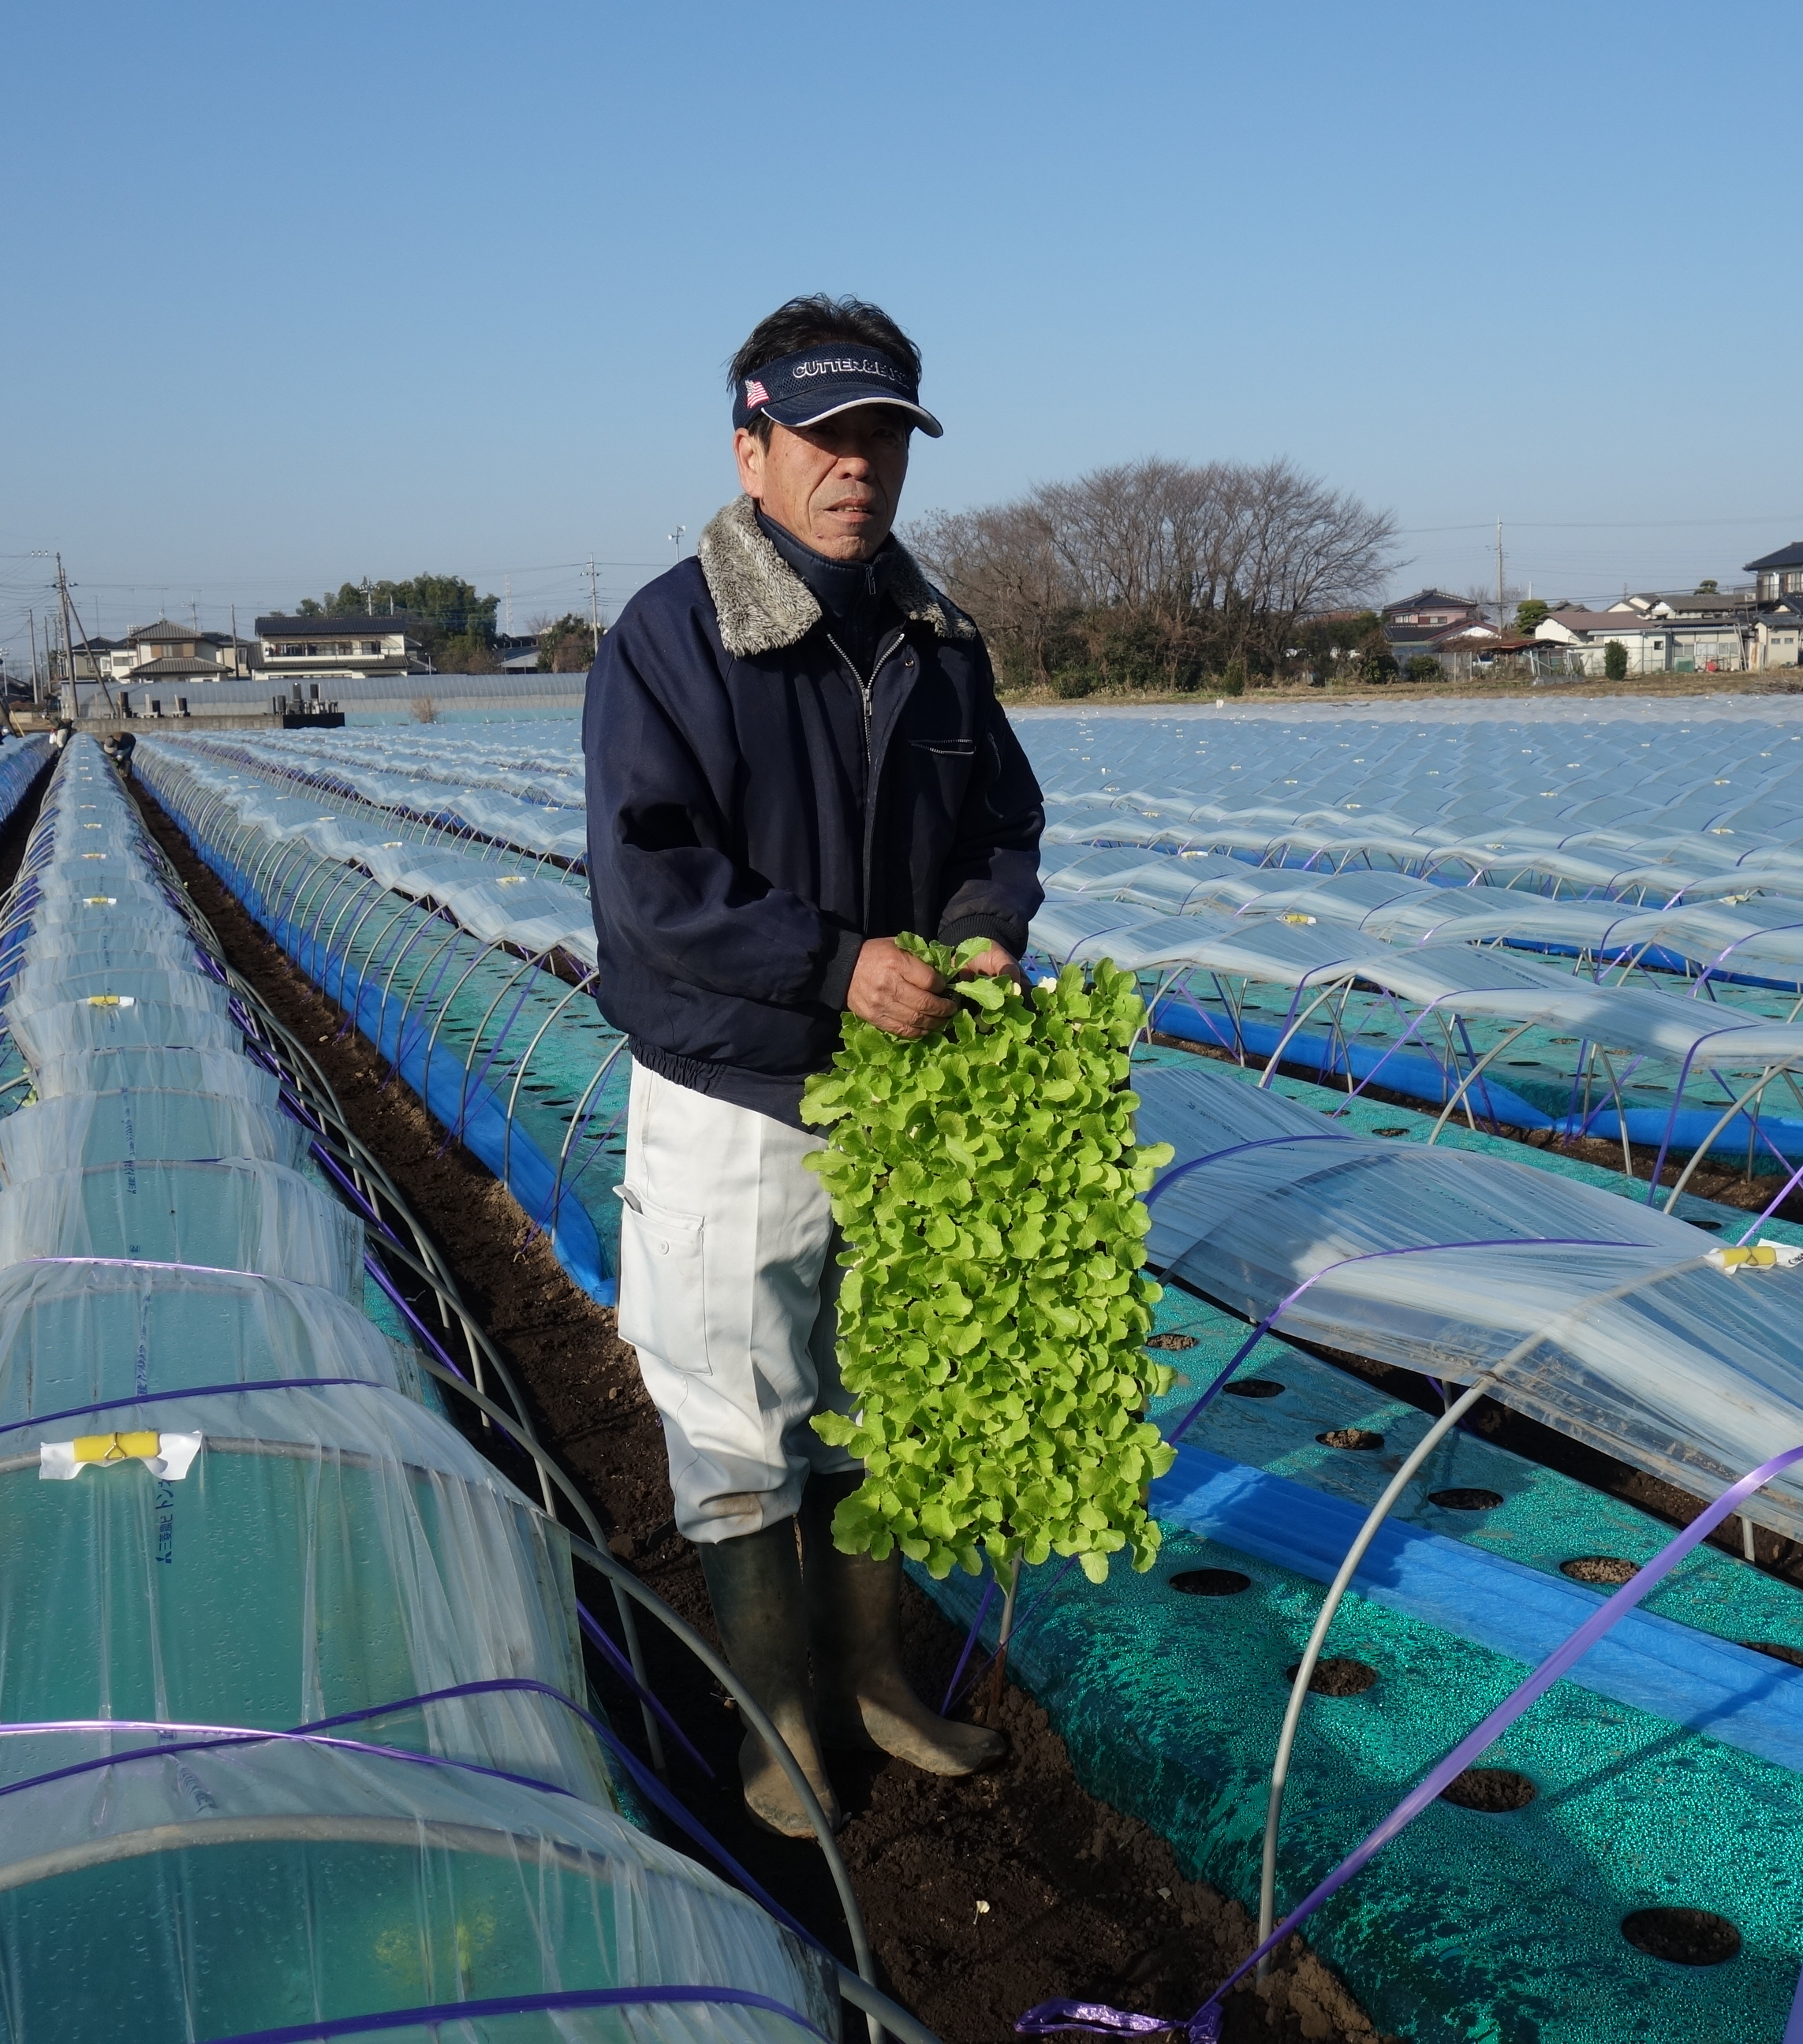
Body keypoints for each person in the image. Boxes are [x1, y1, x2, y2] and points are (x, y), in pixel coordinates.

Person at [582, 296, 1045, 1836]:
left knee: (871, 1399)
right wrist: (835, 966)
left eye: (883, 438)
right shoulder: (673, 636)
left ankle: (872, 1685)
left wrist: (982, 932)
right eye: (826, 437)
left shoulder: (937, 640)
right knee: (735, 1404)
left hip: (902, 1095)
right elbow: (652, 880)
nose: (858, 467)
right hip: (740, 1090)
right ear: (753, 448)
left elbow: (1002, 828)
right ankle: (776, 1719)